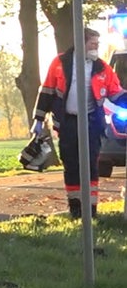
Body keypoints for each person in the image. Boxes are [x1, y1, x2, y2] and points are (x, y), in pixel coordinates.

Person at [32, 27, 124, 218]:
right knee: (71, 164)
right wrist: (38, 120)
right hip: (67, 123)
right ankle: (75, 209)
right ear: (81, 43)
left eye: (97, 44)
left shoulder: (101, 67)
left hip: (92, 123)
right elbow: (47, 91)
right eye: (93, 44)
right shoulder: (60, 63)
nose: (96, 48)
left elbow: (116, 93)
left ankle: (90, 211)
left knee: (91, 165)